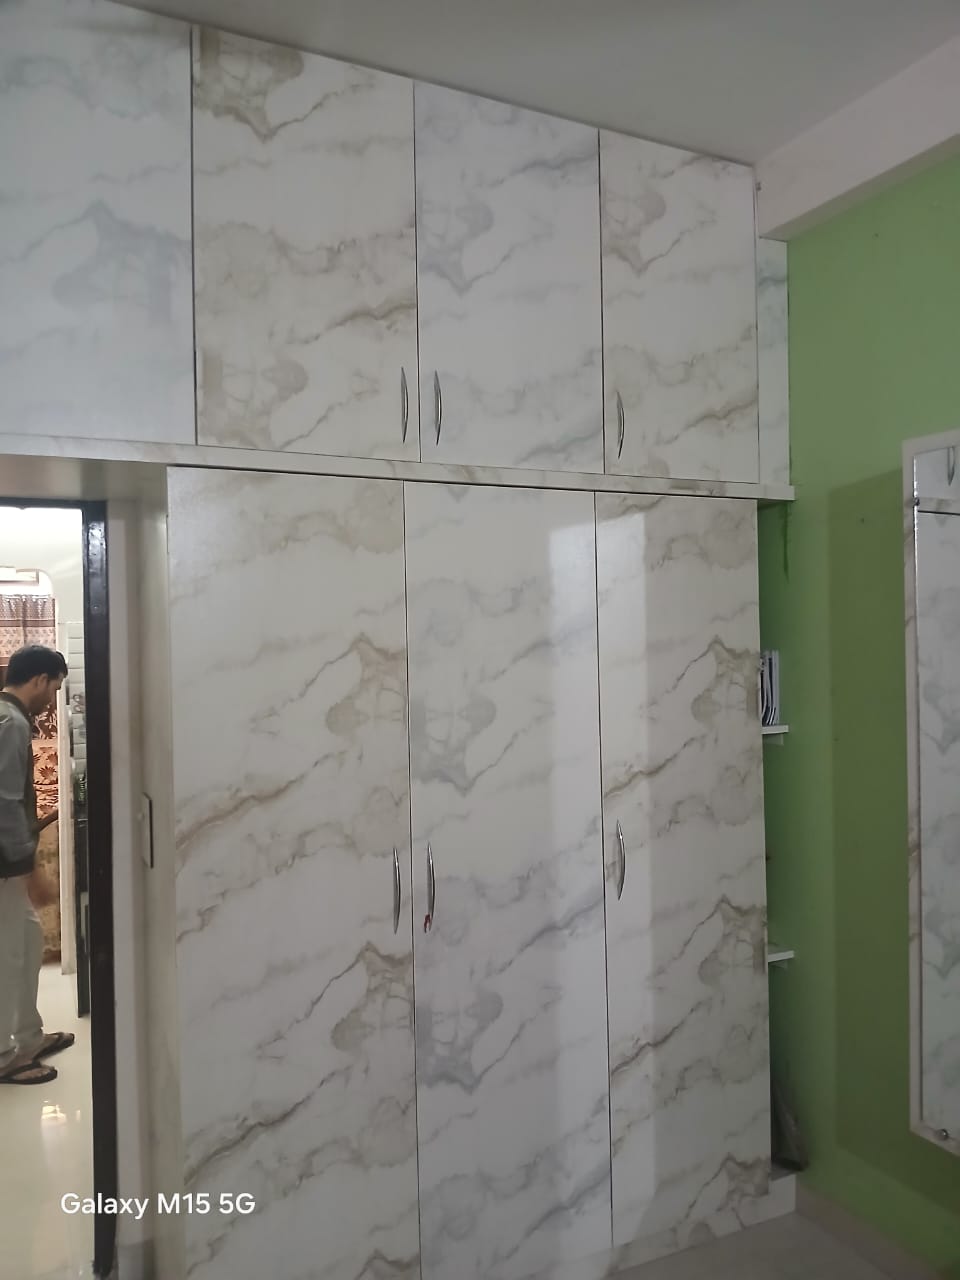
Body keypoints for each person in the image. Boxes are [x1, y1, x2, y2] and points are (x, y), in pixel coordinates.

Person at [0, 644, 75, 1085]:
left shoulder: (9, 716)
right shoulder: (10, 723)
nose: (52, 699)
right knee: (10, 957)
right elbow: (6, 804)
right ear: (40, 679)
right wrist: (29, 869)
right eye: (55, 688)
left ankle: (28, 1038)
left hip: (8, 865)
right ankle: (5, 1057)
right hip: (5, 866)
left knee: (26, 946)